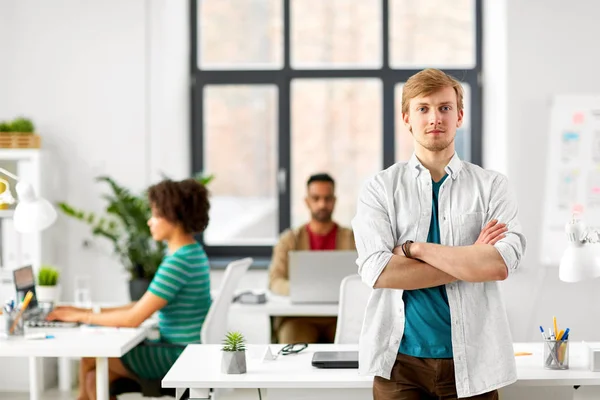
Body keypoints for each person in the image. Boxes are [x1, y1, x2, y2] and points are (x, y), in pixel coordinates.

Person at [352, 68, 526, 400]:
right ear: (407, 118)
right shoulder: (380, 188)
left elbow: (499, 265)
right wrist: (469, 259)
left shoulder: (492, 187)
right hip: (399, 365)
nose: (435, 118)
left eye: (445, 108)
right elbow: (379, 271)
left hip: (475, 362)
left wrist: (414, 249)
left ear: (459, 115)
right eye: (423, 108)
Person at [47, 178, 212, 400]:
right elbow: (143, 305)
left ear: (172, 216)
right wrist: (85, 312)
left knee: (90, 357)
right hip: (184, 349)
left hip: (178, 354)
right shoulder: (193, 253)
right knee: (93, 379)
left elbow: (133, 318)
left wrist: (80, 315)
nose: (149, 222)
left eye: (155, 215)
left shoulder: (178, 262)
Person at [268, 173, 356, 344]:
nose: (322, 204)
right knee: (292, 349)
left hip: (341, 316)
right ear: (307, 201)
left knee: (355, 348)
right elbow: (275, 280)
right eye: (316, 198)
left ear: (334, 201)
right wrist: (301, 290)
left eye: (327, 198)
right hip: (299, 317)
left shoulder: (352, 239)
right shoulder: (289, 240)